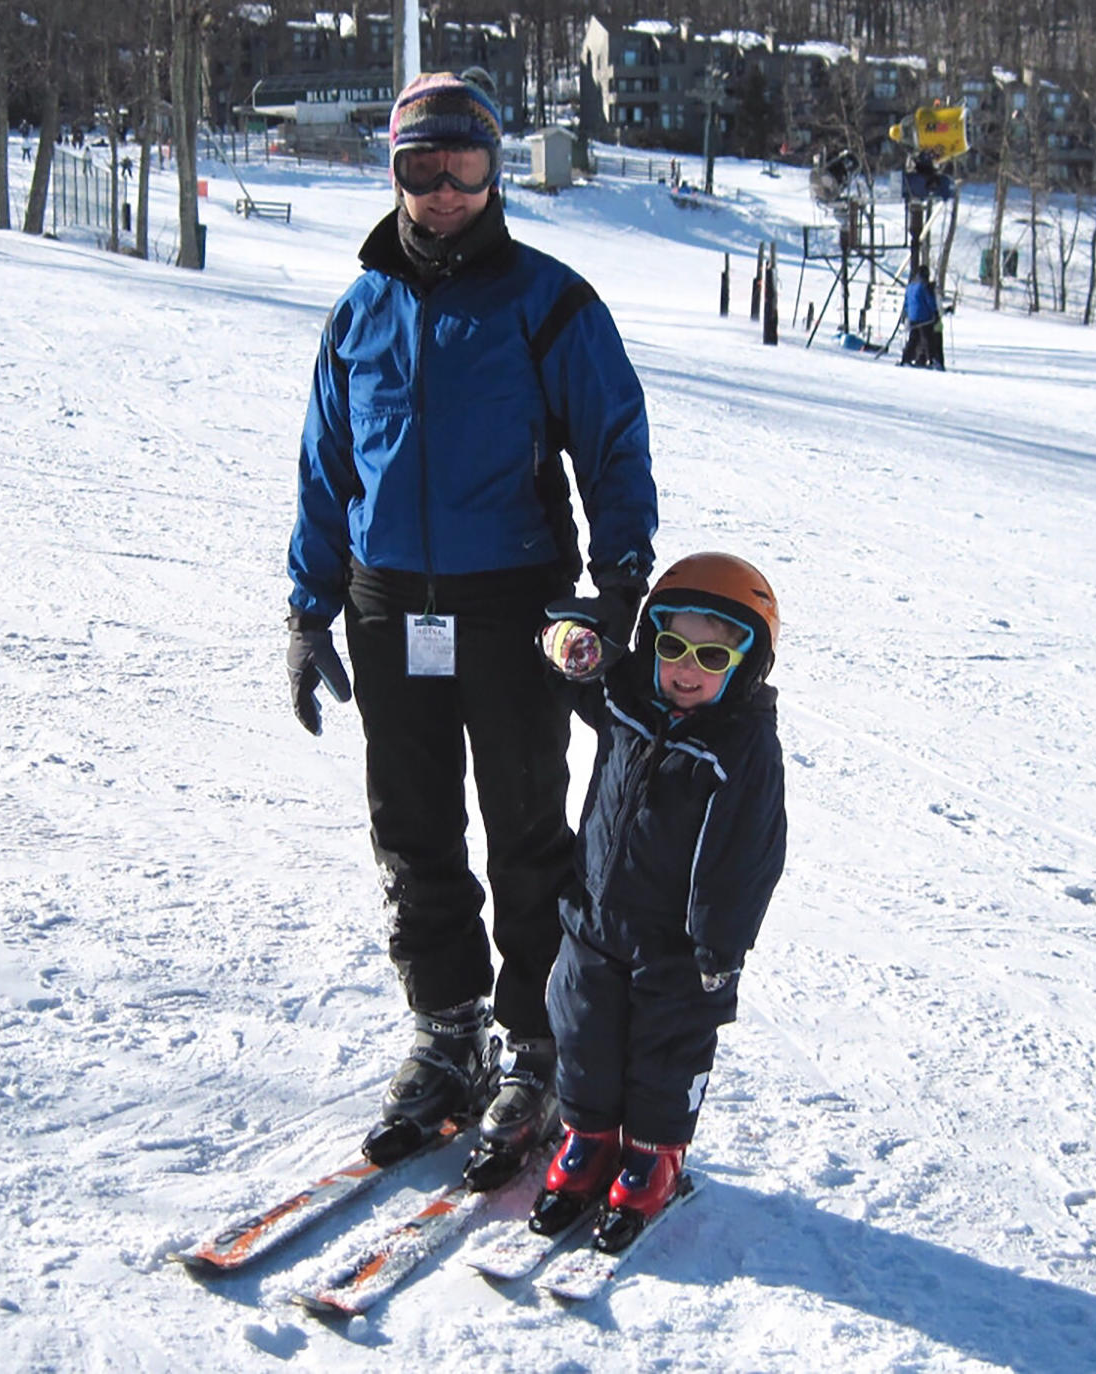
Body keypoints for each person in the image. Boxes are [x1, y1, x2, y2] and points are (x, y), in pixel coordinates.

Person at [285, 71, 658, 1188]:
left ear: (495, 172)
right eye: (419, 170)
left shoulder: (550, 301)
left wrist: (621, 583)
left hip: (513, 604)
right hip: (388, 598)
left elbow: (614, 443)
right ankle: (447, 1031)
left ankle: (536, 1045)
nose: (443, 193)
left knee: (527, 825)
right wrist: (309, 610)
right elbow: (325, 470)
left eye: (464, 170)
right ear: (391, 170)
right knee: (410, 825)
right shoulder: (359, 309)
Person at [528, 552, 786, 1252]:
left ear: (745, 662)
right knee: (582, 1032)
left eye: (710, 654)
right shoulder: (629, 697)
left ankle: (653, 1156)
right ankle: (587, 1139)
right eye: (672, 647)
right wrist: (564, 644)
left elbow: (748, 856)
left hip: (677, 943)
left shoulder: (743, 744)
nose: (687, 668)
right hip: (595, 916)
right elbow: (573, 673)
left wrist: (719, 949)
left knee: (664, 1052)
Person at [900, 263, 942, 368]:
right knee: (929, 339)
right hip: (924, 317)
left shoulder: (910, 286)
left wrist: (905, 314)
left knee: (913, 339)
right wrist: (935, 312)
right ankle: (932, 360)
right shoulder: (924, 286)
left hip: (912, 316)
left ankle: (906, 359)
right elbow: (930, 301)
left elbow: (906, 302)